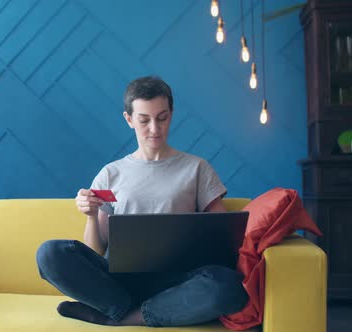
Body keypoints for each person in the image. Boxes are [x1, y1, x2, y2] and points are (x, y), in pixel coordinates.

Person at [36, 76, 248, 327]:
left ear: (171, 114)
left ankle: (121, 317)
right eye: (144, 120)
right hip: (122, 282)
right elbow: (96, 252)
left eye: (162, 118)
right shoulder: (110, 174)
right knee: (50, 254)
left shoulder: (196, 168)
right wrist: (91, 215)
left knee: (229, 286)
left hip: (180, 284)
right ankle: (131, 310)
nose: (154, 129)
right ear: (129, 119)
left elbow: (223, 242)